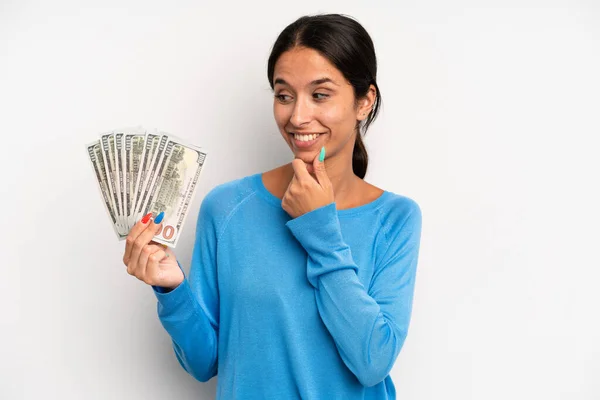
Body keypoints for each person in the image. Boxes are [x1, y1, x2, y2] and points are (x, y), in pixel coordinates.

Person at [122, 13, 422, 400]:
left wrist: (319, 229)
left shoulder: (395, 218)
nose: (297, 117)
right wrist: (172, 288)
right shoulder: (228, 207)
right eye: (284, 95)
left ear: (365, 101)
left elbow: (372, 361)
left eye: (320, 94)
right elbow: (204, 363)